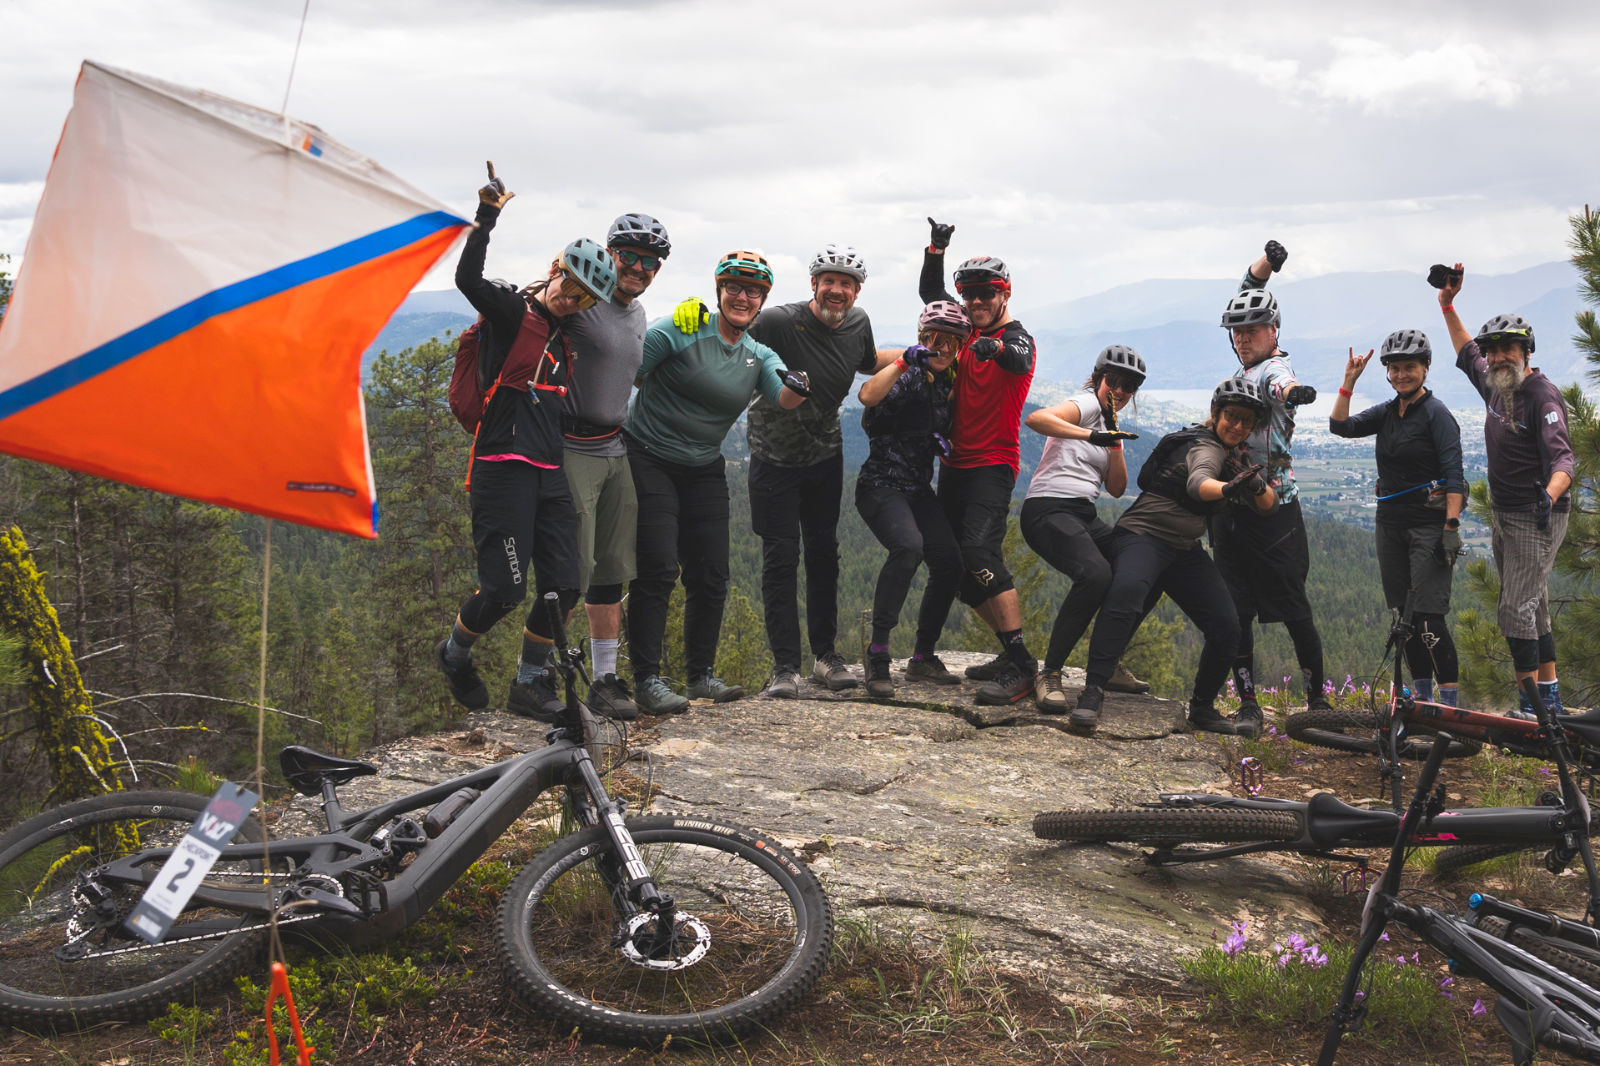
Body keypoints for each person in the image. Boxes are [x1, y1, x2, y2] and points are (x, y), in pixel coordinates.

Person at [436, 168, 618, 721]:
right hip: (501, 467)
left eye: (585, 297)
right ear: (555, 270)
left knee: (564, 583)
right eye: (570, 285)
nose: (572, 299)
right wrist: (487, 216)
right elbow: (469, 279)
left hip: (548, 469)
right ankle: (454, 653)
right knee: (505, 590)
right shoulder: (514, 313)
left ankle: (529, 684)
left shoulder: (564, 338)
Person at [624, 251, 811, 715]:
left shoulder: (759, 353)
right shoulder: (680, 329)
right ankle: (646, 679)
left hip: (703, 464)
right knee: (659, 568)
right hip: (646, 456)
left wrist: (798, 386)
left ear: (763, 300)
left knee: (711, 574)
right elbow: (627, 370)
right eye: (734, 287)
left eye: (753, 291)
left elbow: (782, 397)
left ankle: (700, 675)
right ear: (719, 289)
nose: (742, 297)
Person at [1072, 380, 1278, 736]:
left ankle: (1201, 708)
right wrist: (1229, 488)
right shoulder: (1206, 448)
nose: (1238, 426)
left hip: (1182, 548)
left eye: (1246, 421)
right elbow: (1198, 483)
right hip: (1143, 536)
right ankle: (1092, 694)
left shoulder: (1233, 456)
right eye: (1232, 416)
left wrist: (1257, 486)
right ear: (1216, 414)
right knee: (1126, 596)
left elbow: (1269, 506)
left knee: (1227, 626)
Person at [743, 245, 896, 698]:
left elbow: (866, 363)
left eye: (846, 283)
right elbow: (732, 344)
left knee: (824, 555)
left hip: (825, 457)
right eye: (829, 281)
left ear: (856, 291)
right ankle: (785, 667)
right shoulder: (776, 321)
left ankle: (825, 656)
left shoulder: (859, 321)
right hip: (772, 458)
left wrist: (919, 351)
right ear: (814, 284)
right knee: (780, 558)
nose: (837, 289)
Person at [914, 217, 1042, 706]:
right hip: (955, 465)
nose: (975, 302)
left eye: (986, 294)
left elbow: (1016, 358)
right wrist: (936, 248)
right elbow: (931, 292)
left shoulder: (1018, 337)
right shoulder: (960, 327)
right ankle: (1015, 655)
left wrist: (989, 344)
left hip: (993, 464)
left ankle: (1022, 667)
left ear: (1004, 294)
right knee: (958, 570)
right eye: (969, 295)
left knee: (981, 555)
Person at [1436, 264, 1574, 714]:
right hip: (1505, 513)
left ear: (1526, 352)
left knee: (1514, 610)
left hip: (1539, 514)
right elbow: (1464, 352)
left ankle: (1530, 704)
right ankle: (1549, 697)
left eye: (1508, 350)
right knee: (1533, 606)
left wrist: (1549, 495)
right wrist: (1447, 304)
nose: (1497, 358)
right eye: (1493, 351)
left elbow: (1563, 460)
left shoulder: (1542, 396)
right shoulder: (1496, 386)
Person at [559, 213, 673, 722]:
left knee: (611, 567)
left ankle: (604, 678)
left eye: (651, 261)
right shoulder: (582, 302)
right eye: (629, 255)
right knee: (570, 567)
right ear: (607, 254)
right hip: (570, 446)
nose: (640, 267)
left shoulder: (640, 313)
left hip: (614, 448)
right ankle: (539, 673)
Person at [1215, 240, 1330, 717]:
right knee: (1235, 607)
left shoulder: (1273, 368)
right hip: (1232, 507)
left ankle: (1318, 700)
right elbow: (1247, 292)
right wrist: (1269, 263)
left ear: (1274, 330)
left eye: (1253, 331)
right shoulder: (1247, 355)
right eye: (1237, 332)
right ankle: (1247, 702)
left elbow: (1277, 383)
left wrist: (1295, 392)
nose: (1243, 338)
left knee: (1293, 605)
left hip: (1276, 508)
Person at [1329, 330, 1466, 706]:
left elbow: (1455, 475)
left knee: (1428, 618)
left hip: (1428, 525)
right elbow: (1340, 426)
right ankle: (1421, 702)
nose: (1402, 374)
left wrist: (1450, 528)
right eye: (1395, 368)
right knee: (1403, 619)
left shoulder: (1437, 415)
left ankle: (1450, 705)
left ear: (1426, 368)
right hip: (1389, 525)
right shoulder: (1389, 411)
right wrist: (1348, 383)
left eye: (1410, 367)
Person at [854, 301, 969, 697]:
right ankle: (878, 653)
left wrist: (940, 439)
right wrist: (904, 361)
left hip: (917, 489)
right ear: (922, 338)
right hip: (881, 484)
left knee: (950, 562)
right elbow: (868, 395)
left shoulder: (946, 382)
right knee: (908, 547)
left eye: (953, 342)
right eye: (935, 339)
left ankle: (922, 658)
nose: (943, 347)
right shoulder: (909, 372)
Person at [1021, 345, 1143, 711]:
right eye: (1114, 381)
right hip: (1047, 507)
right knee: (1095, 575)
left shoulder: (1110, 421)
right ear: (1098, 378)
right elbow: (1037, 419)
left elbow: (1117, 488)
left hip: (1082, 513)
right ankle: (1051, 673)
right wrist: (1092, 435)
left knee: (1137, 568)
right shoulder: (1087, 403)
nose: (1120, 391)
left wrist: (1114, 442)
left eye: (1129, 386)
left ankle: (1108, 663)